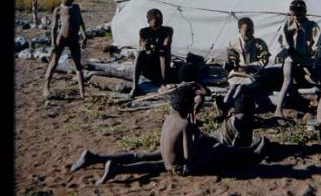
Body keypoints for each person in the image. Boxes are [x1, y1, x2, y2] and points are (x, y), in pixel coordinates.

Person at [70, 66, 267, 185]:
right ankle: (250, 155)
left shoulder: (170, 118)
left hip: (169, 155)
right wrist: (200, 140)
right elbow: (189, 156)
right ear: (189, 105)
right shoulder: (185, 125)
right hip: (180, 166)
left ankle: (98, 158)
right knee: (218, 149)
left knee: (143, 156)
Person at [274, 0, 321, 118]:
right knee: (288, 79)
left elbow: (318, 43)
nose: (296, 16)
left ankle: (319, 106)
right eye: (293, 14)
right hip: (291, 56)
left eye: (298, 14)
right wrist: (284, 51)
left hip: (306, 58)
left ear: (305, 12)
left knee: (316, 80)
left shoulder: (312, 25)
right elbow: (282, 41)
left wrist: (316, 50)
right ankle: (278, 109)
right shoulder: (288, 23)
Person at [43, 0, 87, 99]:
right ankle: (46, 87)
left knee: (78, 64)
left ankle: (82, 92)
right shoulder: (58, 10)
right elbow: (54, 27)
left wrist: (84, 35)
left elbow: (81, 22)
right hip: (61, 39)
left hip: (74, 39)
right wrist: (53, 44)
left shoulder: (76, 8)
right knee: (54, 62)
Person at [219, 17, 271, 114]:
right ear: (240, 30)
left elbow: (264, 61)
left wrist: (250, 67)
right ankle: (225, 105)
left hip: (255, 74)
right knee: (233, 86)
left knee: (241, 87)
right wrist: (233, 64)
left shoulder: (259, 43)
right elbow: (231, 58)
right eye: (247, 31)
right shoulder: (233, 43)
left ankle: (229, 105)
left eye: (252, 30)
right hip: (239, 73)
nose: (250, 33)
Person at [129, 9, 174, 99]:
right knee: (140, 53)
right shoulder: (144, 31)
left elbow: (166, 46)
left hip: (161, 65)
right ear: (149, 21)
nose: (159, 21)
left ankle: (163, 83)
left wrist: (155, 46)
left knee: (163, 53)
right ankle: (135, 86)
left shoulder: (168, 30)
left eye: (160, 18)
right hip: (149, 65)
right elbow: (141, 46)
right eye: (156, 19)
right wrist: (145, 46)